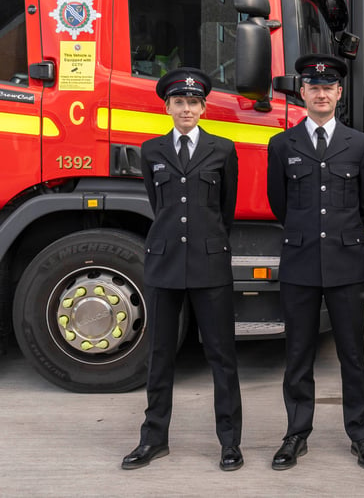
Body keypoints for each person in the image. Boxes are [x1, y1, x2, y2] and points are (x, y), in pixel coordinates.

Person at [122, 67, 243, 471]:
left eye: (193, 102)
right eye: (179, 102)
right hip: (164, 261)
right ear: (167, 107)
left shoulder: (223, 149)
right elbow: (159, 206)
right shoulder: (152, 150)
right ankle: (153, 438)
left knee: (222, 357)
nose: (186, 108)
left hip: (210, 264)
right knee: (158, 355)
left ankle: (229, 442)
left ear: (204, 107)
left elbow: (224, 209)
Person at [266, 54, 364, 470]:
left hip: (346, 263)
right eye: (313, 87)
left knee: (353, 354)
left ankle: (362, 436)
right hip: (299, 263)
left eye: (328, 87)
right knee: (298, 353)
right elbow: (280, 203)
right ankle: (296, 434)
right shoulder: (282, 145)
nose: (320, 93)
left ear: (339, 93)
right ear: (302, 93)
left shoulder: (360, 143)